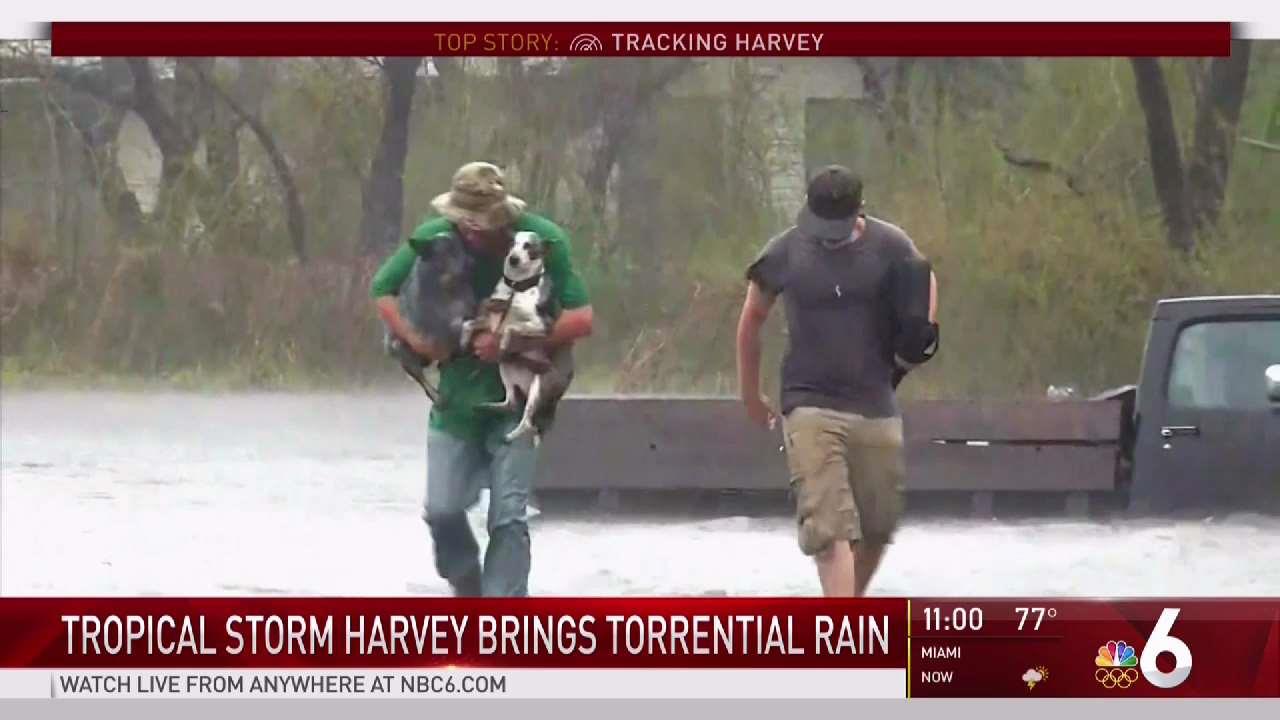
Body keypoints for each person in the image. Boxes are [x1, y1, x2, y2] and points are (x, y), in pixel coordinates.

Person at [370, 162, 594, 597]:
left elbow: (581, 318)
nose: (473, 231)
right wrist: (418, 339)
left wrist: (508, 343)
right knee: (442, 511)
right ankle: (468, 587)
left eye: (483, 224)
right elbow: (382, 289)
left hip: (519, 403)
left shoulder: (541, 239)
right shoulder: (436, 238)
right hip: (455, 402)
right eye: (465, 222)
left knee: (508, 517)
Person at [735, 165, 938, 597]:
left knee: (878, 528)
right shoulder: (785, 252)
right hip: (809, 403)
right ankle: (842, 643)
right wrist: (751, 394)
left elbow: (925, 278)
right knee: (829, 531)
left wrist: (921, 332)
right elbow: (751, 319)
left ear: (859, 211)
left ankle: (844, 617)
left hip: (875, 402)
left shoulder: (891, 245)